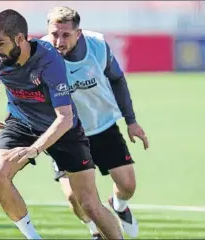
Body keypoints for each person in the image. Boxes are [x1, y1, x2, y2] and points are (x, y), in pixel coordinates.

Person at [0, 9, 124, 240]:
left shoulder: (49, 61)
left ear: (20, 39)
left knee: (89, 204)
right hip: (21, 122)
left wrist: (35, 148)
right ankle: (33, 237)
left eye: (0, 43)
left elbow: (65, 118)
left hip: (62, 129)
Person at [41, 6, 149, 239]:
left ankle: (119, 206)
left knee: (128, 186)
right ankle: (95, 231)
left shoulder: (98, 45)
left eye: (65, 35)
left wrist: (131, 121)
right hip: (66, 134)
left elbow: (117, 79)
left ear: (78, 33)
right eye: (54, 34)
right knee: (75, 198)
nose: (58, 41)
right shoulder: (40, 54)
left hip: (102, 125)